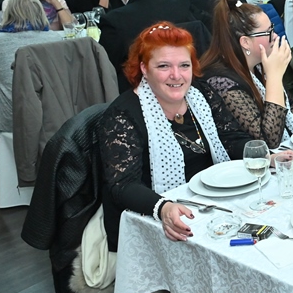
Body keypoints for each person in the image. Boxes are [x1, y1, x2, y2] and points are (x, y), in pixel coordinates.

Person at [98, 21, 252, 250]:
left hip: (211, 205)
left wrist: (263, 156)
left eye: (184, 65)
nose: (176, 75)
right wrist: (163, 207)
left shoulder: (201, 94)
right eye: (163, 66)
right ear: (144, 69)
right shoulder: (123, 114)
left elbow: (231, 138)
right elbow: (123, 185)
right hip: (154, 215)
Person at [200, 0, 293, 148]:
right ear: (245, 42)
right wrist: (274, 77)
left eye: (272, 28)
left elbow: (292, 106)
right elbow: (269, 140)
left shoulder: (259, 64)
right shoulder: (221, 81)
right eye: (268, 32)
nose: (275, 36)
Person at [100, 0, 200, 91]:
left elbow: (106, 67)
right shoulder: (180, 3)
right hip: (188, 82)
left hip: (140, 91)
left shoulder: (115, 19)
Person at [0, 0, 62, 132]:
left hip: (15, 124)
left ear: (8, 14)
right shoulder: (56, 39)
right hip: (56, 119)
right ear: (41, 12)